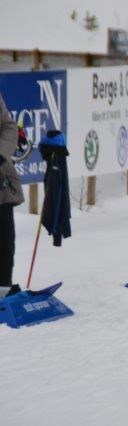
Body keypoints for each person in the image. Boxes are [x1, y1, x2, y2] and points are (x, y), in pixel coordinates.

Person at [0, 92, 25, 297]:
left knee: (5, 240)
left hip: (2, 182)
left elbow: (9, 126)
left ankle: (4, 289)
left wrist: (1, 154)